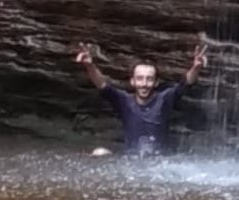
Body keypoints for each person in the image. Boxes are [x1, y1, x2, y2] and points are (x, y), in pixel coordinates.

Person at [75, 42, 208, 156]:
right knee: (99, 152)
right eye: (139, 79)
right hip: (131, 160)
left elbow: (185, 84)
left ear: (156, 83)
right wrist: (89, 66)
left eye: (149, 79)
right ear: (132, 81)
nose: (144, 84)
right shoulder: (124, 101)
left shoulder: (164, 99)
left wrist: (196, 67)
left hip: (159, 162)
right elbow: (103, 86)